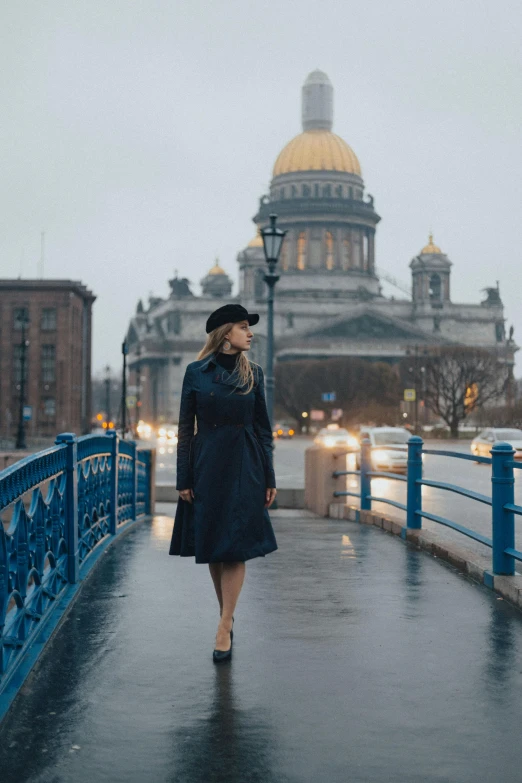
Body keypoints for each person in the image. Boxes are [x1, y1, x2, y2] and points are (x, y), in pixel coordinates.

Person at [169, 303, 278, 663]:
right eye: (244, 327)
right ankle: (226, 619)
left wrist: (269, 476)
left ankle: (224, 624)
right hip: (207, 464)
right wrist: (183, 478)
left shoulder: (255, 374)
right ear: (225, 334)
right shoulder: (197, 372)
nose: (250, 334)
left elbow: (264, 431)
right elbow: (185, 429)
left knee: (235, 546)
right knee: (217, 545)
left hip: (245, 464)